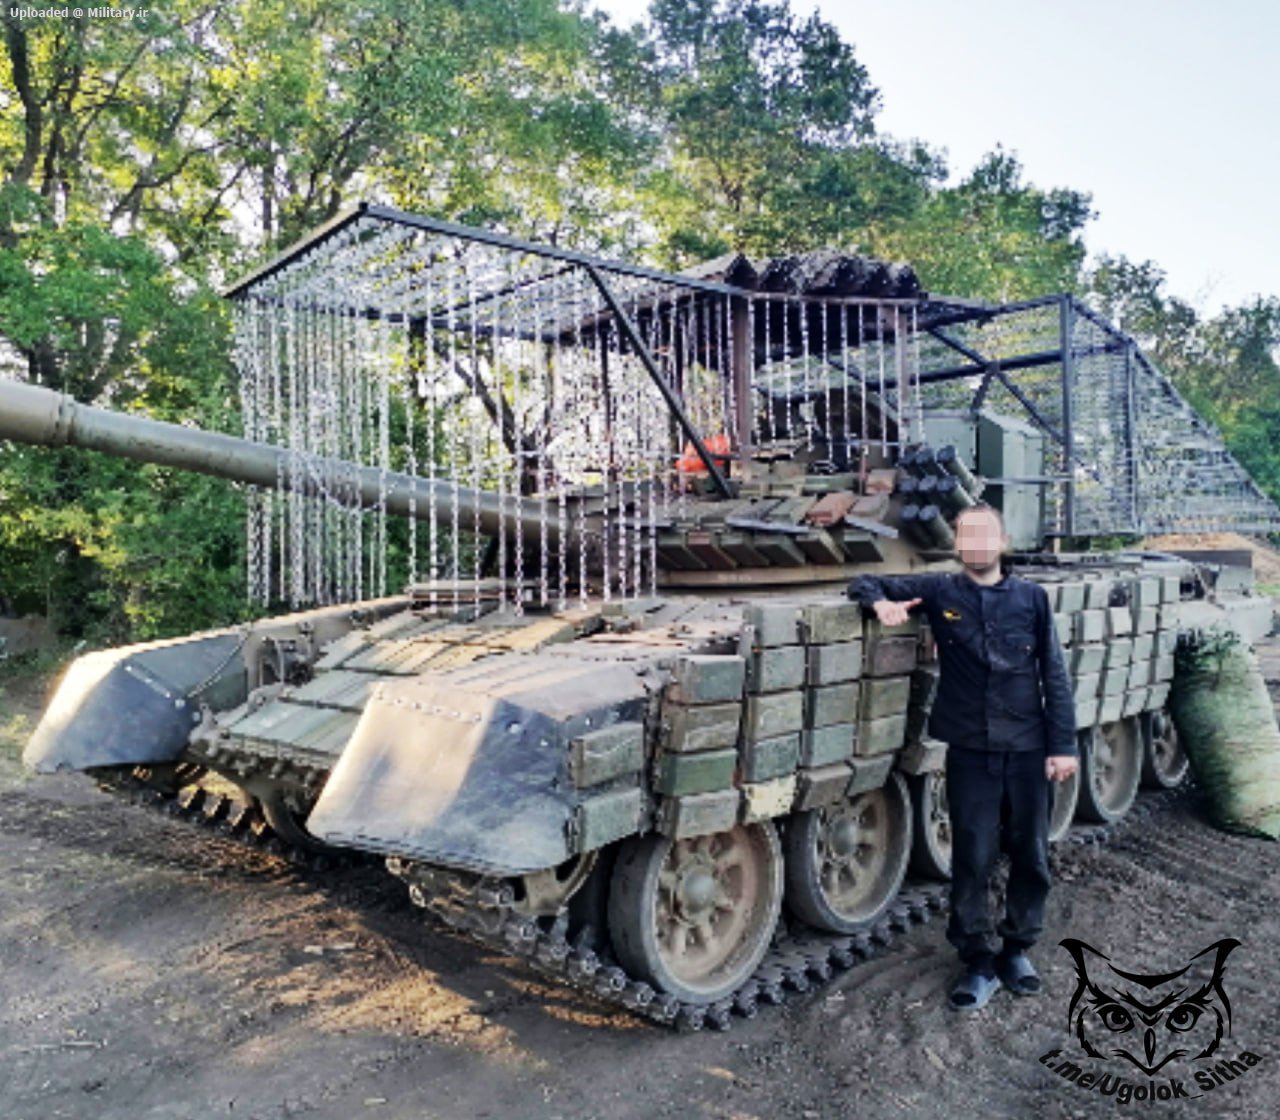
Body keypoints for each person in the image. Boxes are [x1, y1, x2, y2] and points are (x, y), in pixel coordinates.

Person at [847, 502, 1079, 1011]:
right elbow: (864, 580)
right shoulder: (939, 591)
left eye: (984, 535)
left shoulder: (1031, 599)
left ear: (1000, 542)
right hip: (970, 747)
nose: (975, 544)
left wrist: (1064, 746)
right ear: (957, 544)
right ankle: (976, 959)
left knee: (1031, 855)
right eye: (966, 535)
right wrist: (880, 604)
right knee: (971, 856)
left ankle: (1017, 950)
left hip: (1027, 745)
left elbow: (1054, 676)